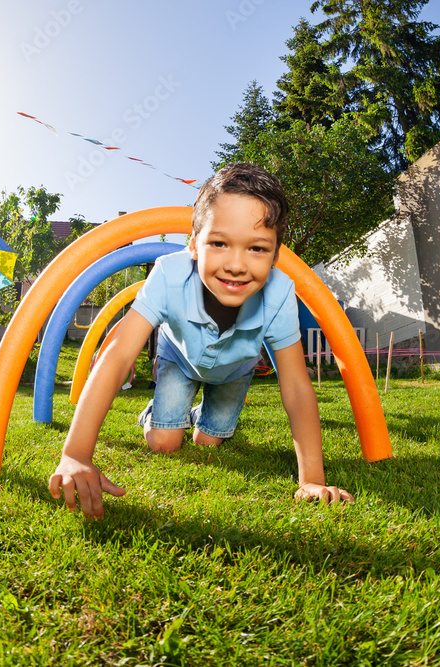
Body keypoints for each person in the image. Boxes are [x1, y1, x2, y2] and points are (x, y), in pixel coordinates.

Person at [48, 162, 354, 518]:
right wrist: (76, 453)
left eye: (256, 248)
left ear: (275, 256)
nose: (236, 265)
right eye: (220, 243)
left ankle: (195, 414)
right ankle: (158, 413)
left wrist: (312, 479)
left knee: (208, 442)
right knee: (165, 443)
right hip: (179, 358)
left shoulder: (280, 293)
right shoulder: (169, 275)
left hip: (234, 370)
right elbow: (117, 357)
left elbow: (297, 387)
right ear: (194, 245)